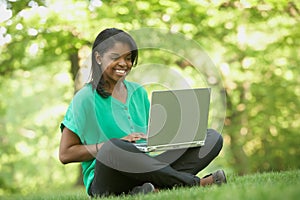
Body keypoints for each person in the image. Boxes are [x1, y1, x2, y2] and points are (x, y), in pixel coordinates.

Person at [59, 28, 226, 198]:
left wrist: (170, 137)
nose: (124, 63)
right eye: (115, 57)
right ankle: (195, 183)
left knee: (211, 138)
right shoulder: (84, 99)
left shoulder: (138, 92)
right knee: (113, 148)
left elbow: (148, 139)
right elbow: (65, 154)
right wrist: (110, 145)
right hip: (107, 178)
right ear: (99, 58)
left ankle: (147, 189)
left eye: (128, 58)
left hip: (144, 168)